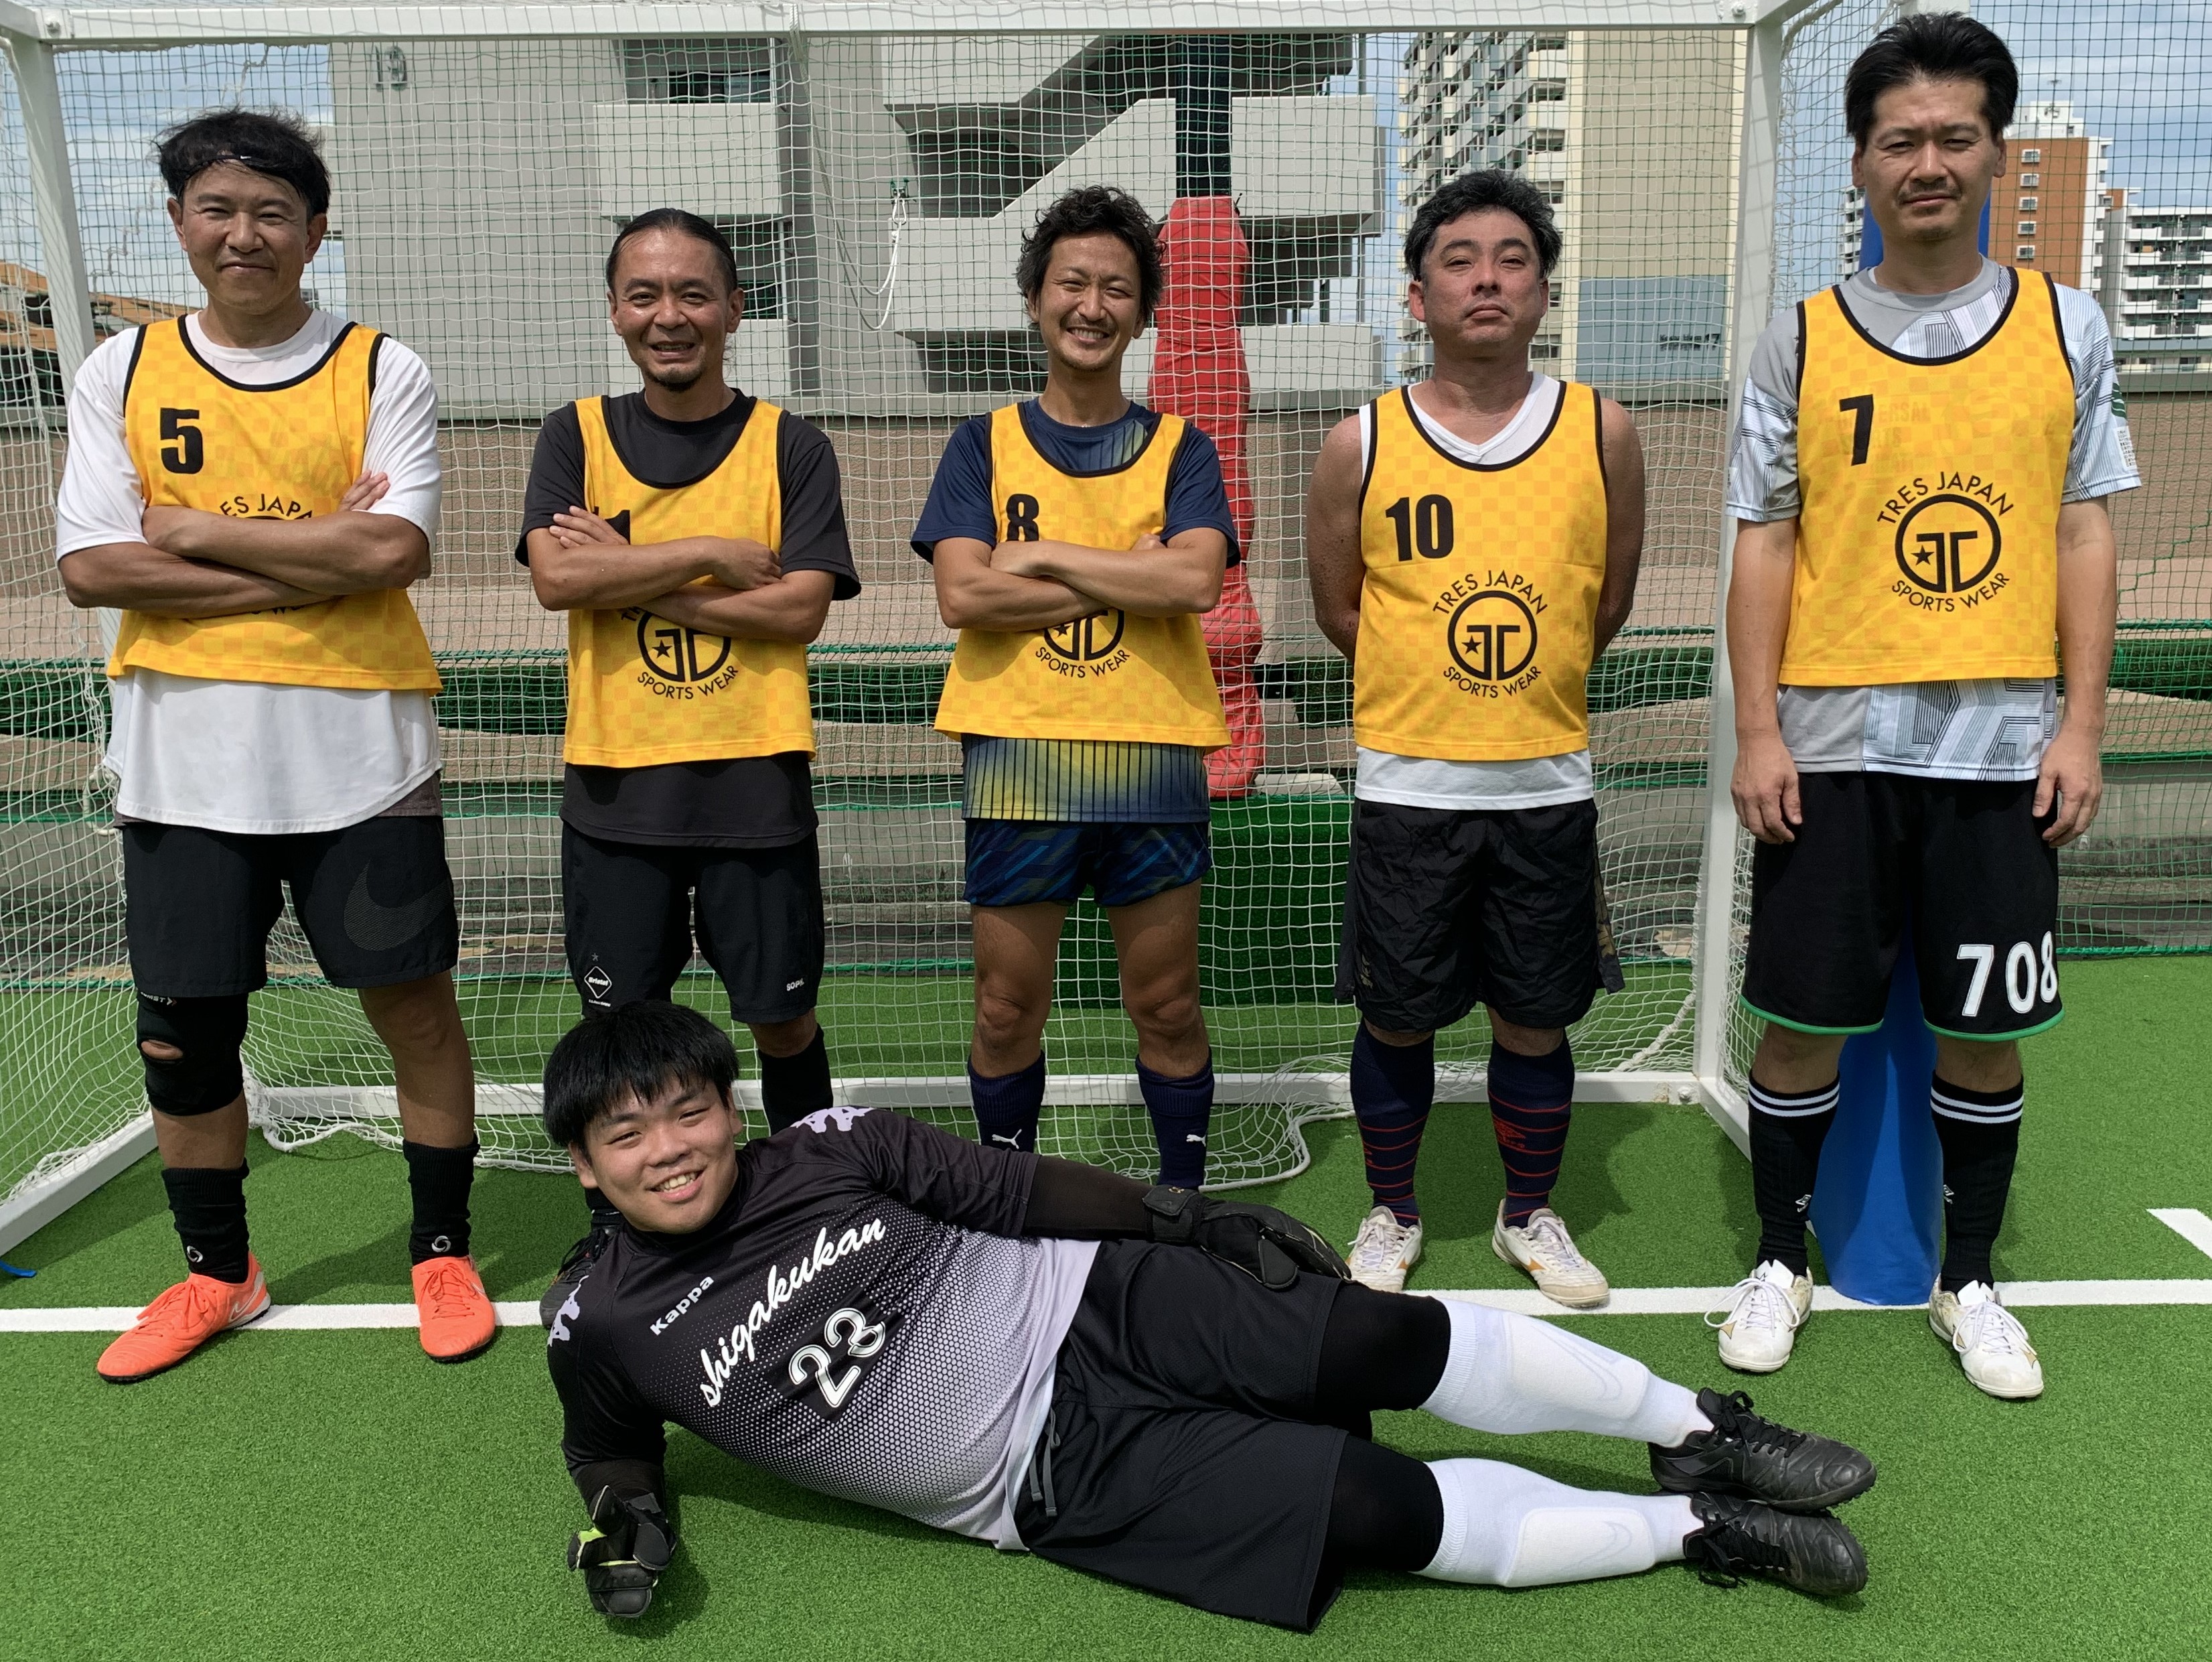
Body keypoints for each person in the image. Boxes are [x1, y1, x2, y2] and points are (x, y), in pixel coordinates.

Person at [542, 1000, 1872, 1629]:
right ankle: (1696, 1530)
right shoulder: (596, 1316)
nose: (671, 1147)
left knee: (1378, 1334)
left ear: (728, 1107)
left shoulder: (828, 1144)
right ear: (587, 1165)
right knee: (1377, 1510)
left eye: (689, 1110)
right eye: (629, 1132)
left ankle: (1699, 1429)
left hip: (1092, 1301)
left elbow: (1012, 1187)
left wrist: (1185, 1217)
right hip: (1036, 1474)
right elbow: (610, 1446)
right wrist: (627, 1521)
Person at [1717, 13, 2134, 1397]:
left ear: (1996, 154)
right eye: (1900, 140)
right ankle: (1776, 1258)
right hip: (1829, 745)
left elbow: (2082, 530)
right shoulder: (1799, 338)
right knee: (1802, 1017)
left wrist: (2081, 724)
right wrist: (1758, 729)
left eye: (1955, 136)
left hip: (2002, 747)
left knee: (1980, 1028)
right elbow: (1764, 541)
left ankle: (1970, 1277)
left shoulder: (2067, 327)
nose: (1927, 162)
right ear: (1859, 164)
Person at [54, 109, 494, 1380]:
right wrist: (313, 558)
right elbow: (93, 567)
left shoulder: (380, 367)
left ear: (315, 228)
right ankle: (217, 1272)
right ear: (179, 221)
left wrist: (191, 531)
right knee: (183, 1034)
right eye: (217, 209)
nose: (243, 234)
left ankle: (442, 1249)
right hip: (182, 766)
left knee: (412, 1009)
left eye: (271, 212)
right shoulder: (121, 370)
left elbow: (393, 550)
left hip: (363, 756)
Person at [1304, 172, 1645, 1304]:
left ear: (1544, 289)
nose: (1486, 279)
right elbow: (1343, 611)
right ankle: (1393, 1211)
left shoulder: (1602, 431)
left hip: (1545, 785)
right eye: (1458, 260)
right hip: (1410, 788)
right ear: (1418, 295)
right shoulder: (1359, 442)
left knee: (1535, 1017)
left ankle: (1528, 1213)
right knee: (1396, 1014)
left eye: (1512, 259)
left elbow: (1605, 604)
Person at [520, 210, 860, 1303]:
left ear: (734, 308)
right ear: (615, 309)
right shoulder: (574, 435)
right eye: (645, 295)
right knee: (620, 1031)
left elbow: (798, 610)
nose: (669, 317)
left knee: (782, 1018)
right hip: (617, 788)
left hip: (754, 783)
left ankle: (813, 1207)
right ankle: (618, 1234)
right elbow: (559, 580)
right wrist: (713, 553)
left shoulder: (792, 446)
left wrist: (632, 571)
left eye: (693, 293)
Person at [911, 186, 1238, 1185]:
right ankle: (1010, 1207)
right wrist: (1127, 571)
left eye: (1116, 289)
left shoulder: (1183, 448)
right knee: (1005, 1008)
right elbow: (965, 594)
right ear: (1034, 298)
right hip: (1019, 756)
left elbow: (1195, 581)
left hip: (1152, 754)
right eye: (1072, 283)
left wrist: (1043, 553)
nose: (1092, 306)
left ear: (1142, 313)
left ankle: (1180, 1200)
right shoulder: (981, 444)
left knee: (1167, 1004)